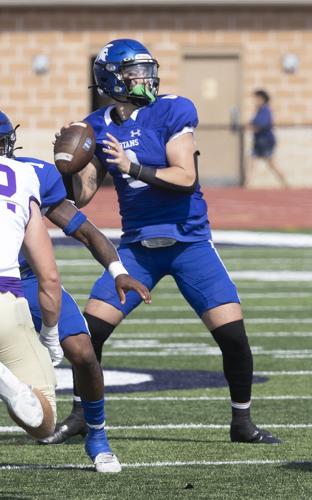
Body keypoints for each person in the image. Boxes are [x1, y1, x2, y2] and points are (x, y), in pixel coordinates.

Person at [46, 39, 280, 449]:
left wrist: (131, 165)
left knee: (232, 337)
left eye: (146, 70)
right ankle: (83, 413)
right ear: (110, 78)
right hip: (137, 249)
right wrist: (67, 167)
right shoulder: (97, 124)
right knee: (88, 334)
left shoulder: (173, 109)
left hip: (188, 242)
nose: (145, 78)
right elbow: (82, 195)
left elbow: (184, 176)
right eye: (134, 72)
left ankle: (242, 421)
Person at [0, 111, 151, 473]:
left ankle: (97, 437)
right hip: (19, 281)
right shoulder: (28, 173)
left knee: (82, 350)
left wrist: (117, 270)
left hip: (27, 278)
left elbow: (84, 229)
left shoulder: (34, 174)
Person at [0, 152, 61, 440]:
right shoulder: (24, 174)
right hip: (6, 302)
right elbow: (48, 276)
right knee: (43, 420)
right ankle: (7, 384)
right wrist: (50, 334)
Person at [245, 89, 288, 188]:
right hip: (258, 142)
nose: (254, 101)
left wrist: (252, 127)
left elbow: (262, 124)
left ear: (262, 99)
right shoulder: (259, 110)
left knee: (272, 164)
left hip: (265, 141)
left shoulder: (265, 110)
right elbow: (252, 122)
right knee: (251, 162)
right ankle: (247, 184)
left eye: (256, 98)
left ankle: (285, 183)